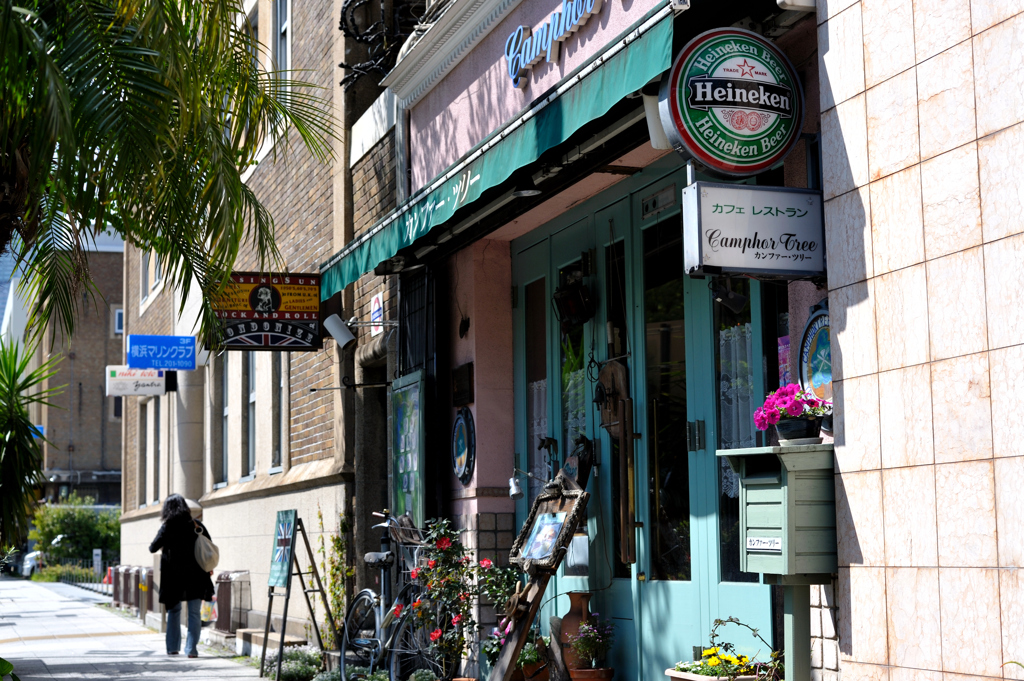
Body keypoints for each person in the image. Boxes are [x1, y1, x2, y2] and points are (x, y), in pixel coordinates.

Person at [149, 494, 215, 657]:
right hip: (195, 576)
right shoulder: (196, 525)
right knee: (194, 613)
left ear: (167, 509)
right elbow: (209, 546)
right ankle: (191, 650)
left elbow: (152, 548)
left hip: (172, 578)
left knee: (174, 612)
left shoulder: (167, 527)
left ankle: (172, 648)